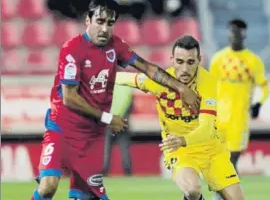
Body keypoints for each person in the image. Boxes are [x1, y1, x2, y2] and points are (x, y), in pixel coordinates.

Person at [30, 0, 201, 200]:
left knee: (86, 197)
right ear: (88, 21)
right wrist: (107, 118)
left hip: (91, 136)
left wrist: (181, 88)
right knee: (48, 186)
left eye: (110, 23)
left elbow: (147, 67)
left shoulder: (116, 45)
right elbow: (69, 98)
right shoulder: (72, 49)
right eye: (100, 22)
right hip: (62, 128)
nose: (105, 28)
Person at [115, 35, 245, 200]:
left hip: (211, 149)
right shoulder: (159, 81)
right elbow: (125, 78)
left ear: (199, 60)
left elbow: (205, 129)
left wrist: (182, 139)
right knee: (192, 189)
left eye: (190, 62)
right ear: (172, 60)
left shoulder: (208, 83)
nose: (184, 69)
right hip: (181, 151)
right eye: (180, 61)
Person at [210, 19, 269, 200]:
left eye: (237, 32)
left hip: (239, 120)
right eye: (231, 32)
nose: (233, 36)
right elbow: (209, 86)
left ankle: (224, 197)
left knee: (232, 160)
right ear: (228, 33)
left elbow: (264, 86)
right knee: (219, 160)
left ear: (243, 34)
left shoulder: (253, 61)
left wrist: (258, 104)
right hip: (219, 118)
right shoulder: (218, 59)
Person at [103, 84, 133, 176]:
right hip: (122, 120)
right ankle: (127, 171)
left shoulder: (107, 85)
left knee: (106, 148)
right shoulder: (127, 86)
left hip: (109, 120)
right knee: (124, 147)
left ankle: (105, 170)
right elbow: (130, 104)